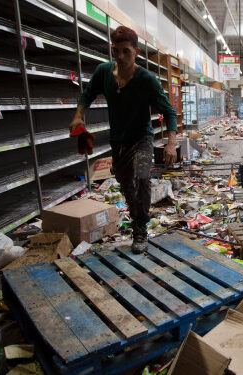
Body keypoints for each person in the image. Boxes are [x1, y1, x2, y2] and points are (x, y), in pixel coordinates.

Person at [71, 26, 178, 254]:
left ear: (136, 51)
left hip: (142, 138)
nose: (120, 57)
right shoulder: (103, 72)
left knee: (141, 178)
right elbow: (87, 94)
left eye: (126, 52)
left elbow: (169, 111)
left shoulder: (147, 80)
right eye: (116, 51)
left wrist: (171, 142)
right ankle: (137, 218)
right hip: (118, 142)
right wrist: (79, 115)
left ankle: (141, 229)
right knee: (127, 187)